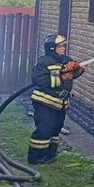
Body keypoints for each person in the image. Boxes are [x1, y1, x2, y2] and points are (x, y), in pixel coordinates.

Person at [28, 33, 83, 164]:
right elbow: (40, 81)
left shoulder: (65, 59)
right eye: (60, 46)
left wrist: (77, 68)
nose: (63, 48)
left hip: (60, 104)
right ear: (51, 48)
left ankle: (50, 156)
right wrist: (62, 77)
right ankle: (36, 158)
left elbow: (75, 74)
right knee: (44, 131)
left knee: (55, 130)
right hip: (45, 103)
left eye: (63, 46)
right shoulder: (43, 62)